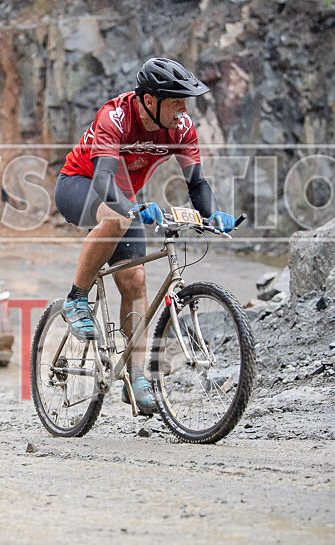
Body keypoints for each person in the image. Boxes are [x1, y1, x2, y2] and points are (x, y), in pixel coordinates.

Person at [53, 57, 237, 415]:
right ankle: (76, 298)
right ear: (150, 101)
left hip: (122, 198)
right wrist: (132, 208)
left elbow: (197, 183)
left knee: (136, 281)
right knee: (118, 218)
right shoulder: (115, 117)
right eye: (177, 101)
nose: (184, 110)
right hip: (80, 184)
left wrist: (213, 215)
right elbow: (104, 181)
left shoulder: (181, 128)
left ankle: (136, 379)